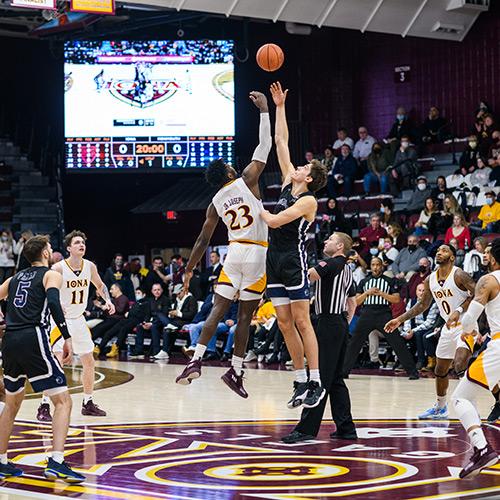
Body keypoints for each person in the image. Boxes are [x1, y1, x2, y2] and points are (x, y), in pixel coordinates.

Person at [175, 90, 272, 398]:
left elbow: (203, 239)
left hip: (232, 252)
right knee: (244, 316)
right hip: (256, 252)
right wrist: (265, 111)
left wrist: (189, 271)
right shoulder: (246, 178)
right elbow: (265, 145)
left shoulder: (215, 202)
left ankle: (195, 361)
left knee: (217, 310)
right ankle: (236, 371)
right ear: (229, 172)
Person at [258, 82, 328, 408]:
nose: (298, 166)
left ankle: (316, 381)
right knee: (284, 323)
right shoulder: (289, 180)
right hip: (274, 258)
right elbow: (280, 140)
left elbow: (273, 221)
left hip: (294, 259)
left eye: (304, 168)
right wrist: (280, 106)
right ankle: (299, 380)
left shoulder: (309, 202)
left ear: (309, 178)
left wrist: (247, 203)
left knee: (302, 321)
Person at [0, 235, 85, 482]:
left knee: (13, 402)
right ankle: (57, 462)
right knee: (63, 401)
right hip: (33, 336)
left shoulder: (14, 278)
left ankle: (1, 461)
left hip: (10, 341)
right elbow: (53, 302)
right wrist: (67, 337)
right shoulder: (51, 275)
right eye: (50, 248)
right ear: (46, 254)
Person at [385, 244, 476, 419]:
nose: (439, 252)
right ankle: (440, 408)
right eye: (438, 250)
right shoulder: (430, 279)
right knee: (440, 371)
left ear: (452, 257)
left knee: (459, 364)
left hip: (466, 325)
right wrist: (399, 319)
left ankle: (471, 404)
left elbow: (478, 295)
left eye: (444, 250)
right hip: (447, 329)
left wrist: (459, 310)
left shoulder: (459, 274)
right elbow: (422, 305)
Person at [282, 233, 357, 443]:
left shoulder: (332, 263)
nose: (326, 242)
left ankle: (306, 429)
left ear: (340, 246)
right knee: (335, 380)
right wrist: (344, 324)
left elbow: (307, 276)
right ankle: (346, 428)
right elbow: (352, 302)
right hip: (339, 324)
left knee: (318, 377)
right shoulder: (348, 269)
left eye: (330, 239)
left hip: (329, 323)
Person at [36, 230, 115, 422]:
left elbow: (100, 285)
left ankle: (88, 403)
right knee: (56, 362)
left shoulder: (90, 266)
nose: (81, 245)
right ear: (69, 248)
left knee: (89, 361)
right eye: (77, 242)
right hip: (59, 320)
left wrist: (108, 300)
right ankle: (44, 405)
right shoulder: (57, 268)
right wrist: (53, 301)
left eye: (83, 243)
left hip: (78, 319)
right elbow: (43, 290)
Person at [451, 239, 500, 478]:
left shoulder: (489, 280)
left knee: (460, 398)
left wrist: (466, 332)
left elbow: (471, 320)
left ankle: (482, 449)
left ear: (492, 258)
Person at [343, 257, 418, 379]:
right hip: (367, 313)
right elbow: (356, 301)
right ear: (370, 266)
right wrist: (367, 293)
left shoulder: (389, 281)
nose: (375, 267)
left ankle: (412, 372)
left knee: (397, 342)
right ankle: (343, 371)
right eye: (373, 265)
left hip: (384, 313)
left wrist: (381, 294)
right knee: (355, 342)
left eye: (378, 265)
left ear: (381, 266)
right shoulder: (364, 282)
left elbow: (396, 299)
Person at [98, 286, 150, 358]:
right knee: (112, 330)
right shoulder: (136, 303)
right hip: (128, 319)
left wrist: (145, 322)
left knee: (123, 329)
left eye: (138, 293)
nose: (137, 294)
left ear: (144, 295)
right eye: (136, 293)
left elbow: (147, 314)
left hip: (137, 320)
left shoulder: (146, 303)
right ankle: (100, 347)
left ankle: (116, 347)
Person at [152, 283, 197, 360]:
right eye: (176, 294)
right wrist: (172, 314)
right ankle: (169, 325)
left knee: (167, 328)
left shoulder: (191, 299)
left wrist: (179, 314)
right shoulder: (177, 300)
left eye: (179, 293)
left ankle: (165, 351)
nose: (177, 295)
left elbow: (192, 315)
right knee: (160, 316)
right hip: (176, 321)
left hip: (185, 321)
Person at [131, 282, 171, 357]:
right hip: (151, 321)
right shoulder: (150, 300)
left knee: (154, 327)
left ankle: (156, 351)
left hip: (161, 323)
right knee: (139, 327)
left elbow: (164, 315)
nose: (157, 291)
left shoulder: (166, 300)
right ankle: (139, 350)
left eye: (158, 290)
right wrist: (145, 322)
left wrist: (152, 323)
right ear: (152, 291)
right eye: (155, 290)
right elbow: (148, 313)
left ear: (162, 290)